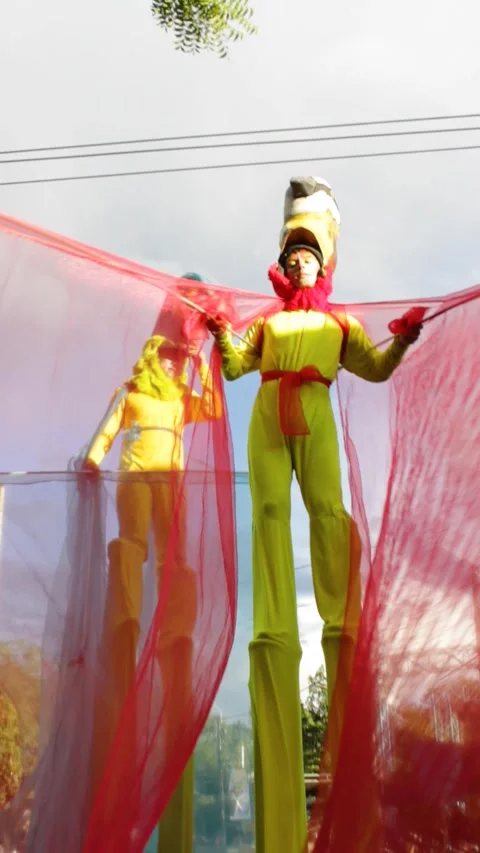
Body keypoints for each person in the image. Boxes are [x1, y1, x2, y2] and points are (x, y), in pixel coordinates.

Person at [206, 176, 422, 853]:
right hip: (270, 413)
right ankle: (275, 624)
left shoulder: (339, 324)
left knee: (327, 512)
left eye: (308, 255)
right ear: (282, 262)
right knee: (270, 511)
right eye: (292, 254)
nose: (299, 263)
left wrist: (403, 341)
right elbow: (236, 367)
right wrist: (222, 333)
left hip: (316, 411)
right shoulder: (268, 324)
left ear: (323, 265)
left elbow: (376, 367)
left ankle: (341, 616)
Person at [82, 332, 221, 853]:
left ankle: (173, 630)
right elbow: (108, 427)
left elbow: (212, 409)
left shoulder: (181, 399)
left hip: (171, 483)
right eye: (168, 356)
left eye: (178, 358)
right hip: (135, 477)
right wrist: (92, 459)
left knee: (173, 559)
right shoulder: (132, 391)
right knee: (132, 545)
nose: (173, 363)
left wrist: (202, 365)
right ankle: (127, 622)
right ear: (151, 356)